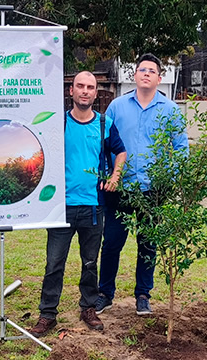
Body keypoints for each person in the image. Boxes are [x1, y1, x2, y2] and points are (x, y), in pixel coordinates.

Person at [28, 72, 127, 337]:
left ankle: (88, 307)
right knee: (54, 263)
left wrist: (115, 176)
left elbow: (121, 151)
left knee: (90, 262)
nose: (85, 91)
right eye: (80, 86)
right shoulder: (57, 123)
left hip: (94, 206)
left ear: (96, 94)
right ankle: (47, 314)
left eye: (90, 87)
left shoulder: (105, 124)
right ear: (70, 91)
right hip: (61, 207)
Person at [96, 53, 188, 316]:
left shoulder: (170, 110)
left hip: (153, 189)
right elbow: (105, 146)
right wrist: (107, 175)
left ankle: (143, 294)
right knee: (112, 241)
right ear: (134, 75)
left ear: (160, 78)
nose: (146, 73)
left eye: (152, 71)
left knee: (148, 242)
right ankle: (105, 293)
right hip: (119, 187)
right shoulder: (116, 107)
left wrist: (168, 179)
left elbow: (181, 149)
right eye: (142, 69)